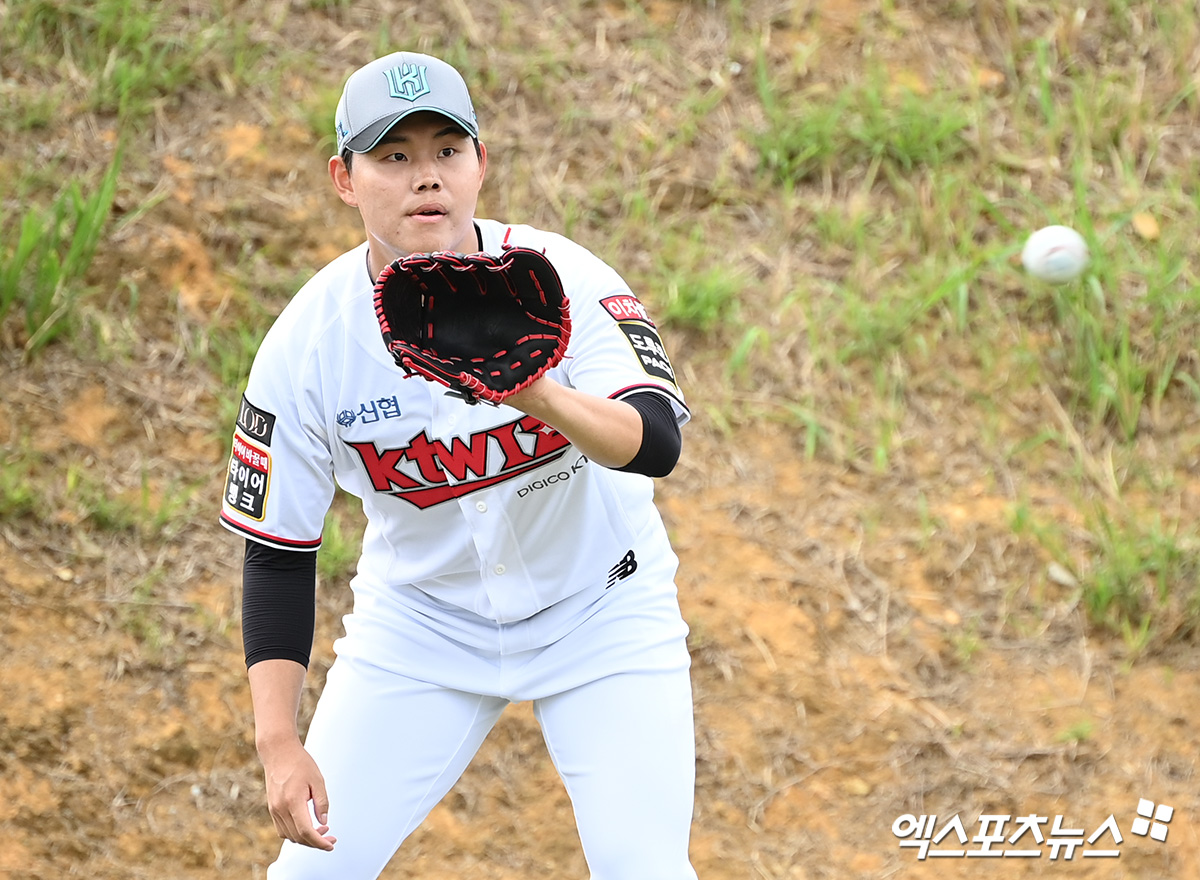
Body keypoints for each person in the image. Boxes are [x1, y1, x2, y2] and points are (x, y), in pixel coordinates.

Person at [219, 50, 697, 879]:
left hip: (603, 610)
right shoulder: (308, 345)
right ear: (344, 178)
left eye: (446, 150)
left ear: (481, 162)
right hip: (422, 628)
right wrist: (278, 742)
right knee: (311, 876)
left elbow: (657, 442)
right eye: (394, 157)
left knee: (644, 870)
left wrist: (540, 395)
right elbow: (279, 552)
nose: (424, 178)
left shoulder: (561, 280)